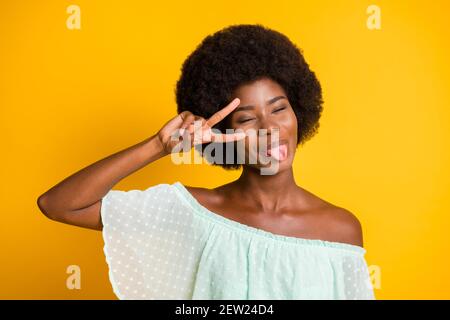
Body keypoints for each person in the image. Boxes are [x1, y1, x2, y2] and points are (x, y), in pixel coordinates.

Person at [37, 24, 375, 300]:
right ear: (221, 131)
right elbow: (58, 205)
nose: (270, 129)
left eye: (279, 108)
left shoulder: (340, 229)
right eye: (246, 119)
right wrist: (157, 146)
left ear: (299, 110)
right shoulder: (193, 214)